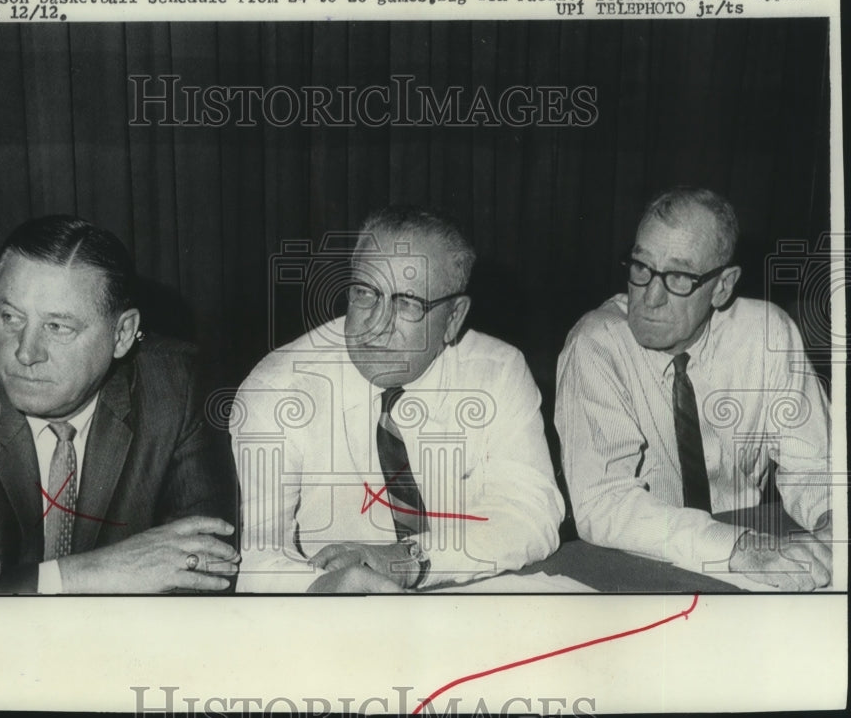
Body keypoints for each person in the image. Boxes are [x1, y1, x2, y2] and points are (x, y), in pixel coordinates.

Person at [0, 215, 239, 594]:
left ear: (122, 334)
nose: (25, 353)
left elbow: (205, 578)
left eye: (57, 327)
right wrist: (81, 575)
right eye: (10, 317)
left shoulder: (179, 388)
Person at [230, 206, 564, 593]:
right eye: (364, 292)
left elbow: (531, 513)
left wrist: (410, 560)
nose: (376, 323)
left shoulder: (497, 371)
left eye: (407, 303)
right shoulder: (278, 389)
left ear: (454, 318)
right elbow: (255, 560)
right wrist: (324, 587)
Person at [556, 188, 832, 590]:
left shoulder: (767, 333)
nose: (649, 297)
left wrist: (832, 527)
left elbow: (814, 466)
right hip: (642, 561)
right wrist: (736, 547)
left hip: (752, 549)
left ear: (722, 286)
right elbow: (603, 501)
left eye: (680, 277)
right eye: (641, 267)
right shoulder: (596, 344)